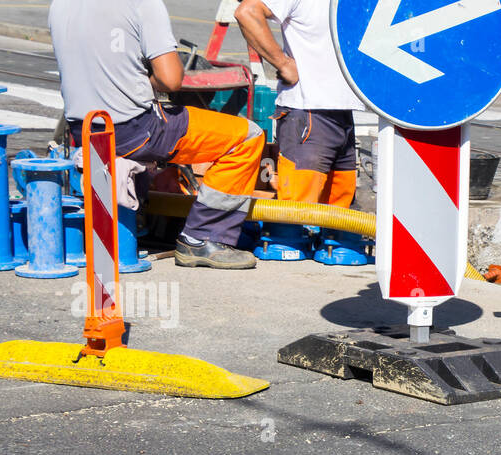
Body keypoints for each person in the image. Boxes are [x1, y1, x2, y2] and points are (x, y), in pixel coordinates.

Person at [49, 0, 265, 269]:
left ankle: (144, 215)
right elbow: (171, 79)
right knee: (247, 136)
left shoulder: (61, 5)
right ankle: (202, 238)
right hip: (133, 128)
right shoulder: (143, 4)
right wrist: (141, 81)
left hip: (85, 129)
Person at [235, 0, 362, 209]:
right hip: (309, 114)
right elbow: (247, 12)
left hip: (343, 114)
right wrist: (282, 63)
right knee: (296, 216)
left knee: (340, 218)